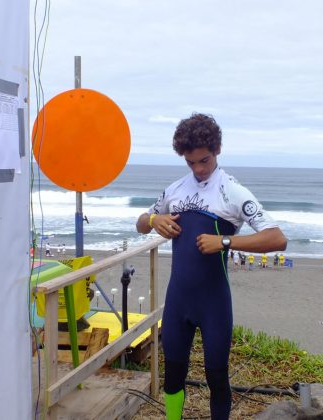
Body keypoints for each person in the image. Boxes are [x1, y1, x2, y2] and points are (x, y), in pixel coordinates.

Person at [135, 113, 287, 420]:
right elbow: (140, 223)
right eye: (191, 163)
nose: (199, 169)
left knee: (217, 375)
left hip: (213, 301)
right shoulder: (175, 189)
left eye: (204, 160)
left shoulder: (232, 191)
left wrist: (225, 242)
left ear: (216, 150)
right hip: (178, 300)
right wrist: (154, 220)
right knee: (173, 373)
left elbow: (277, 239)